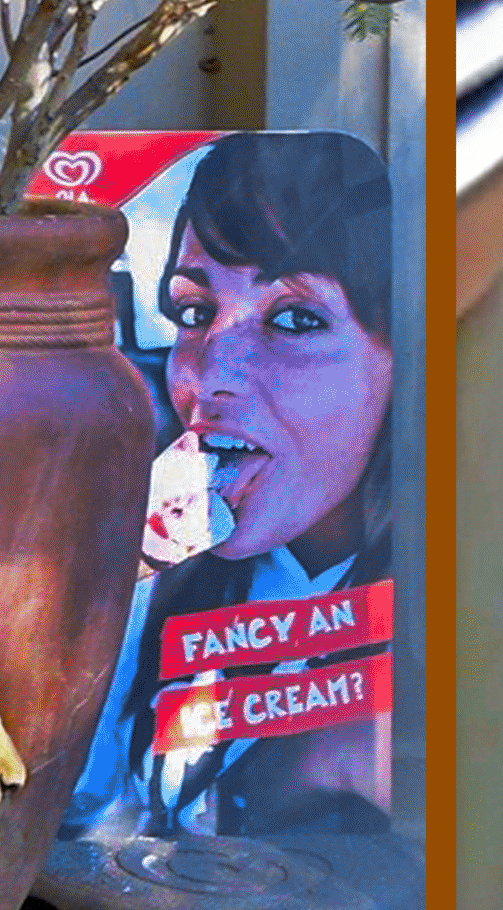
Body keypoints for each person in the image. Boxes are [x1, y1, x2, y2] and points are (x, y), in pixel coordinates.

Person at [62, 131, 396, 839]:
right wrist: (124, 575)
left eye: (295, 318)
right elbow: (64, 810)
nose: (209, 377)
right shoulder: (159, 582)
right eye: (194, 312)